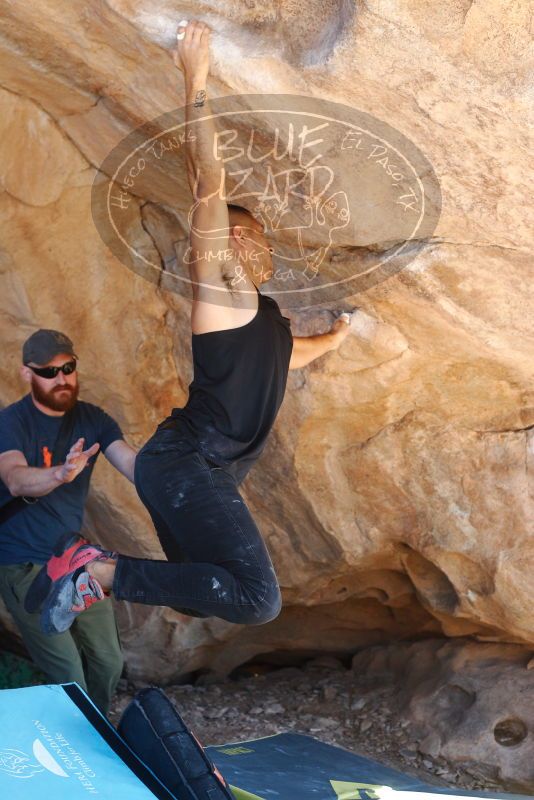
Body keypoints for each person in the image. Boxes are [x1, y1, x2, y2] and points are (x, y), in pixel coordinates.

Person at [26, 20, 352, 637]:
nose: (267, 245)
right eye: (255, 233)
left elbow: (288, 358)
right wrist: (195, 77)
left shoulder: (265, 323)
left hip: (194, 470)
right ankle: (96, 569)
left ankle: (93, 569)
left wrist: (333, 340)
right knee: (258, 599)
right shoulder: (221, 288)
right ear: (232, 241)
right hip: (187, 463)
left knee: (203, 596)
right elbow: (209, 181)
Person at [0, 329, 137, 715]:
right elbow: (14, 477)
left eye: (68, 368)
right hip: (23, 563)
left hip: (74, 560)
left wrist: (173, 478)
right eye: (49, 371)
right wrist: (59, 474)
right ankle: (83, 745)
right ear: (27, 374)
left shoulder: (93, 419)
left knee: (109, 661)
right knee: (68, 673)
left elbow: (129, 462)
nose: (62, 379)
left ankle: (94, 736)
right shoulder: (10, 423)